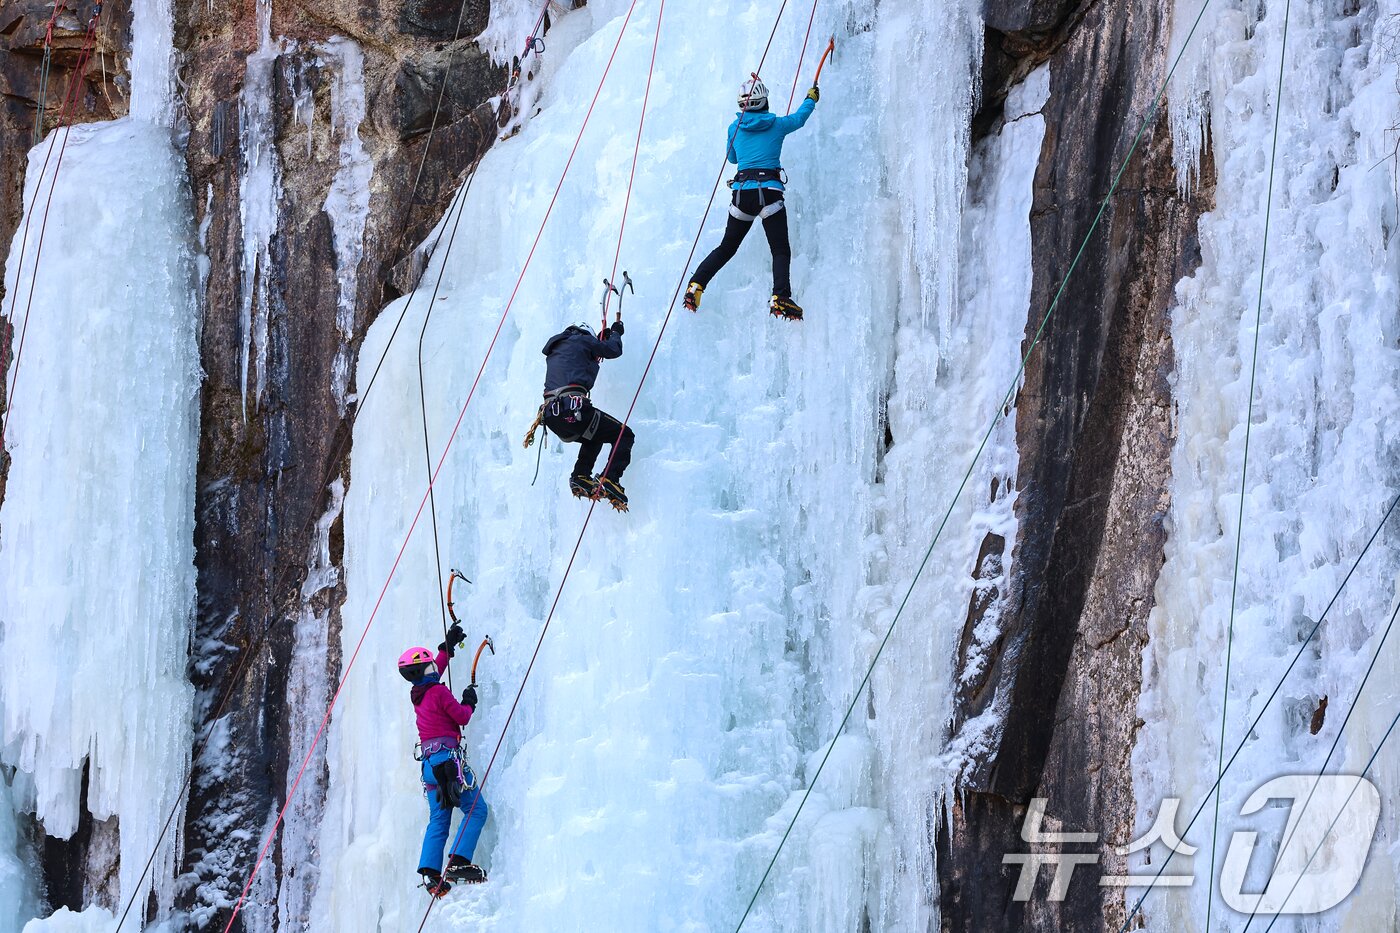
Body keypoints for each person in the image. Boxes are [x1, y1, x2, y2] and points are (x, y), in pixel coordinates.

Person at [684, 74, 820, 321]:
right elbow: (800, 118)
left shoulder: (734, 128)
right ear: (764, 102)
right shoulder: (777, 124)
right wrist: (811, 97)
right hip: (768, 193)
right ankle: (780, 296)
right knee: (779, 249)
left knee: (727, 247)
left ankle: (696, 285)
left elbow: (733, 158)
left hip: (742, 194)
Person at [398, 624, 489, 895]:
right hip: (448, 763)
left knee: (439, 819)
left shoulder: (419, 694)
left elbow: (433, 670)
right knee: (476, 810)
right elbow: (461, 717)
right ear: (424, 671)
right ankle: (458, 862)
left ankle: (430, 872)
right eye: (430, 667)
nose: (433, 669)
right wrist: (469, 702)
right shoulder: (437, 692)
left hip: (430, 766)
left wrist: (446, 648)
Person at [539, 319, 634, 511]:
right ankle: (611, 478)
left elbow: (581, 361)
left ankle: (580, 476)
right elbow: (613, 350)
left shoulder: (558, 348)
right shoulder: (582, 340)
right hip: (572, 408)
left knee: (594, 436)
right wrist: (616, 333)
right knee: (624, 434)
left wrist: (598, 343)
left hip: (552, 416)